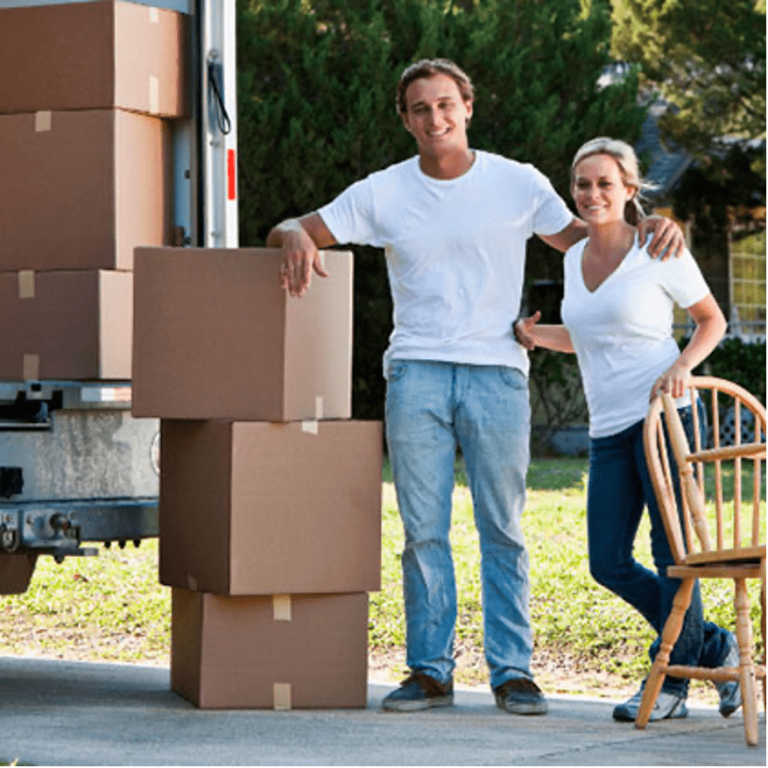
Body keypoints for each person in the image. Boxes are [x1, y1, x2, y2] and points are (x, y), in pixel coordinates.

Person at [267, 59, 685, 716]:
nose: (435, 118)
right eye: (420, 109)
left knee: (504, 529)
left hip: (497, 375)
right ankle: (430, 671)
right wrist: (290, 233)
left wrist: (658, 225)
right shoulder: (383, 191)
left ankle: (513, 671)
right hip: (416, 375)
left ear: (468, 108)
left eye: (445, 105)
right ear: (406, 120)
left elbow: (596, 238)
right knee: (423, 530)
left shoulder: (516, 183)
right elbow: (297, 228)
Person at [514, 136, 741, 722]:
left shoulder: (657, 249)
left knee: (672, 558)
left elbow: (711, 320)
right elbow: (590, 336)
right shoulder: (572, 258)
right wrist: (537, 336)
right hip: (609, 429)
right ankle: (712, 646)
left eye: (605, 184)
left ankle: (671, 684)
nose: (593, 194)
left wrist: (680, 367)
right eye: (583, 184)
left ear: (630, 191)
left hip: (665, 421)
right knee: (607, 561)